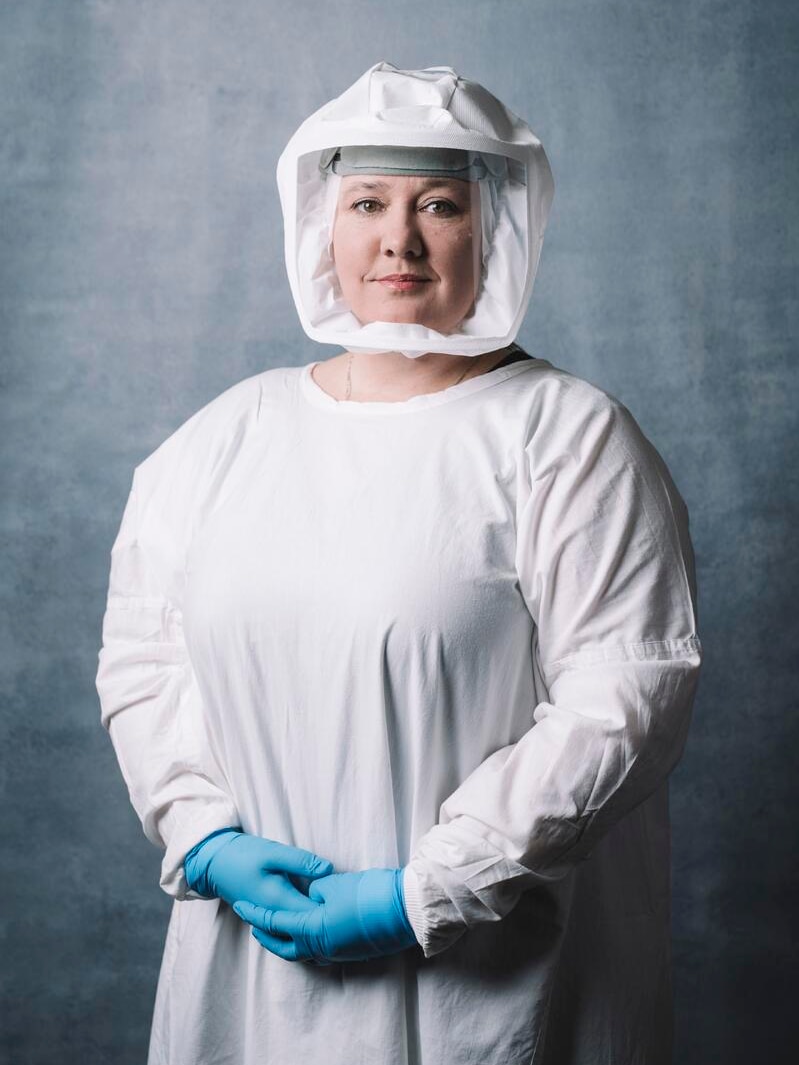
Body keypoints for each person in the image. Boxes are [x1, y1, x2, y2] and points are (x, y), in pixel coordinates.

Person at [96, 61, 703, 1065]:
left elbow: (625, 698)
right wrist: (203, 836)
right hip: (247, 982)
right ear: (322, 225)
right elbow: (144, 660)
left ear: (492, 226)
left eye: (438, 205)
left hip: (488, 979)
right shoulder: (218, 443)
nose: (397, 239)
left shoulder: (566, 439)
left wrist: (429, 887)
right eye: (367, 202)